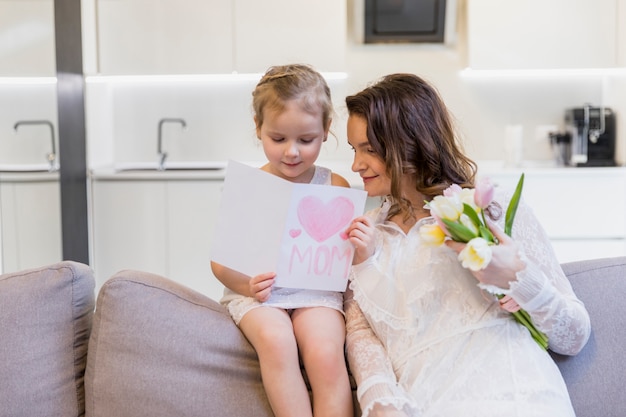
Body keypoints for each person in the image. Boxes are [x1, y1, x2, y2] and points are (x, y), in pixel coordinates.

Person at [343, 73, 591, 417]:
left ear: (411, 142)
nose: (356, 164)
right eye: (354, 149)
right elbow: (359, 334)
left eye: (369, 149)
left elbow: (574, 336)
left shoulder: (490, 208)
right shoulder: (363, 236)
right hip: (427, 403)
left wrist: (517, 277)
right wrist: (380, 403)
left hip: (518, 394)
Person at [211, 64, 353, 417]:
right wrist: (246, 284)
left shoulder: (335, 187)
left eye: (306, 140)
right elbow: (220, 262)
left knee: (325, 352)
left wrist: (361, 245)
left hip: (316, 293)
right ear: (259, 129)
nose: (292, 152)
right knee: (276, 341)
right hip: (259, 296)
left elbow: (344, 258)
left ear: (326, 131)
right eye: (278, 139)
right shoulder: (247, 188)